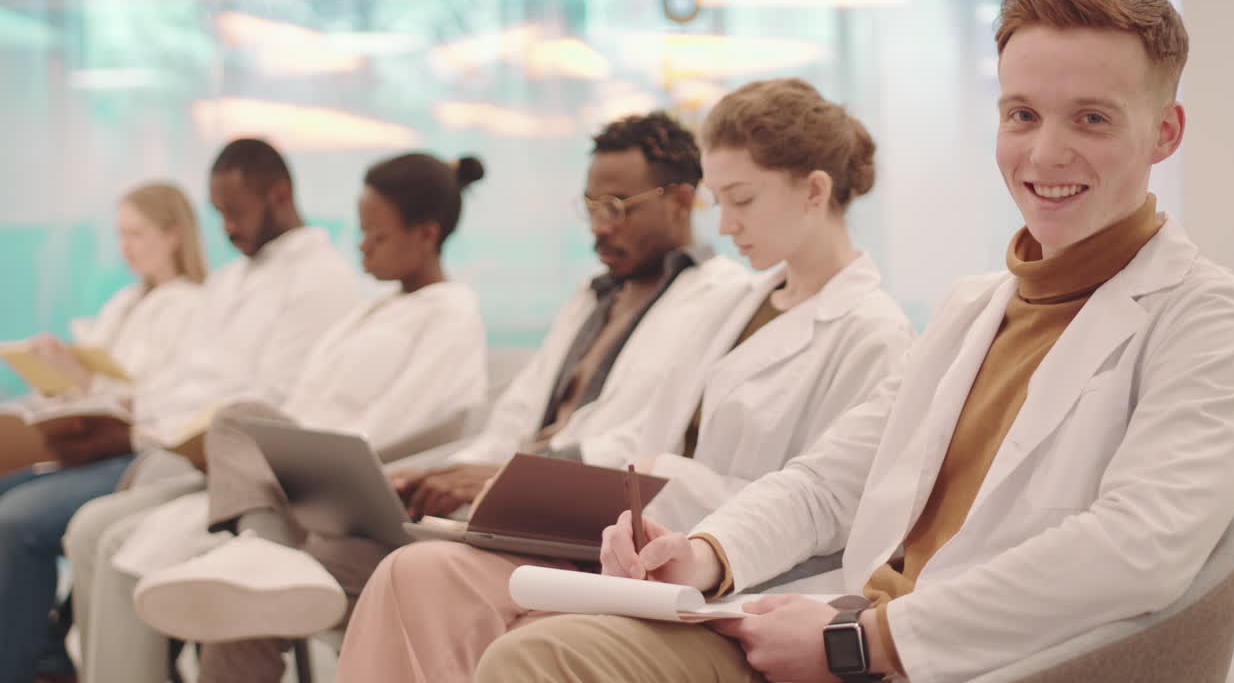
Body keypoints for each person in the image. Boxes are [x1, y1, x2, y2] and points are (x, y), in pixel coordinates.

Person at [474, 0, 1234, 683]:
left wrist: (869, 638)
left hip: (955, 659)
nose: (1045, 151)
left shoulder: (1203, 317)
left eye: (1091, 118)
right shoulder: (974, 306)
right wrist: (706, 557)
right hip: (839, 632)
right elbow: (833, 478)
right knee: (539, 653)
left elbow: (1137, 550)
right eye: (1021, 113)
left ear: (1165, 133)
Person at [128, 112, 753, 683]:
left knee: (290, 570)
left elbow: (638, 439)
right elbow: (514, 418)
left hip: (565, 518)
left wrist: (494, 476)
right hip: (492, 503)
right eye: (591, 205)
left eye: (618, 205)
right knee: (263, 555)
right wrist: (450, 478)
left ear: (681, 200)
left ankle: (260, 554)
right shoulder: (593, 299)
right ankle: (259, 554)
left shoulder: (716, 299)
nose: (600, 225)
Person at [334, 78, 918, 682]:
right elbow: (645, 437)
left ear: (815, 192)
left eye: (740, 200)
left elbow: (826, 512)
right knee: (415, 574)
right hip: (634, 551)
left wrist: (687, 530)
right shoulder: (734, 303)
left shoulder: (872, 336)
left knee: (530, 639)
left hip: (734, 584)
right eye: (718, 202)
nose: (724, 226)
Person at [63, 152, 491, 683]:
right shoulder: (371, 310)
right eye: (360, 231)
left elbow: (403, 427)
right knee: (237, 426)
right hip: (290, 477)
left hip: (342, 487)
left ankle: (260, 551)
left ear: (426, 234)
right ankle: (262, 553)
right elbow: (302, 407)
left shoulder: (451, 315)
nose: (360, 245)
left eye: (375, 235)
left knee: (237, 436)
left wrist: (295, 456)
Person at [0, 138, 362, 683]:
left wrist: (139, 437)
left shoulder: (321, 281)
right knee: (89, 529)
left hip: (236, 468)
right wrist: (129, 422)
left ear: (280, 194)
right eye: (218, 214)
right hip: (173, 445)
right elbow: (180, 387)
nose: (226, 228)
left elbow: (274, 405)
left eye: (234, 212)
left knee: (97, 536)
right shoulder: (231, 279)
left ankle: (36, 664)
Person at [0, 182, 207, 476]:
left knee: (13, 514)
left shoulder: (193, 306)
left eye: (135, 234)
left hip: (131, 453)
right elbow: (95, 366)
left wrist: (84, 379)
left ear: (173, 235)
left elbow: (157, 401)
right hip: (85, 444)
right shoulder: (125, 301)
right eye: (121, 234)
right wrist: (52, 364)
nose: (125, 246)